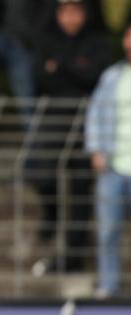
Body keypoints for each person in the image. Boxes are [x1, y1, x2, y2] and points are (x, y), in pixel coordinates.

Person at [28, 0, 111, 275]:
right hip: (54, 120)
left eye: (76, 11)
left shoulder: (97, 42)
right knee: (41, 173)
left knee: (80, 189)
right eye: (65, 11)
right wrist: (75, 69)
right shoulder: (46, 39)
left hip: (86, 123)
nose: (71, 18)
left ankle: (75, 255)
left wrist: (61, 68)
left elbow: (94, 76)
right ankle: (51, 217)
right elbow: (41, 77)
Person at [86, 21, 131, 297]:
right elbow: (95, 113)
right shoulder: (112, 76)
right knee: (107, 232)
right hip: (114, 166)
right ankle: (109, 286)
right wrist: (96, 150)